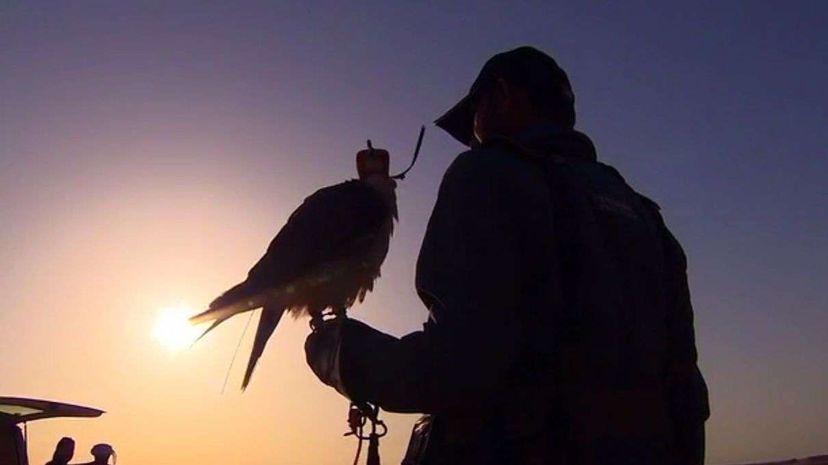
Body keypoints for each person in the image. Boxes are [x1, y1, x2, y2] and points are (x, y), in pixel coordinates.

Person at [305, 46, 710, 465]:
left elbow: (461, 365)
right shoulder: (646, 216)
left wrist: (342, 357)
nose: (476, 137)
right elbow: (687, 394)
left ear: (502, 96)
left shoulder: (486, 175)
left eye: (474, 118)